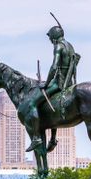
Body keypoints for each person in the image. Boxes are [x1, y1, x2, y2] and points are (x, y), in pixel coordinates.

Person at [23, 24, 78, 153]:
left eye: (50, 37)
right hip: (69, 82)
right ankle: (52, 139)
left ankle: (36, 138)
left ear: (54, 36)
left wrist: (46, 83)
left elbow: (54, 67)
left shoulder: (58, 46)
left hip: (58, 83)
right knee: (50, 106)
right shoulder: (69, 46)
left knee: (32, 103)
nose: (49, 40)